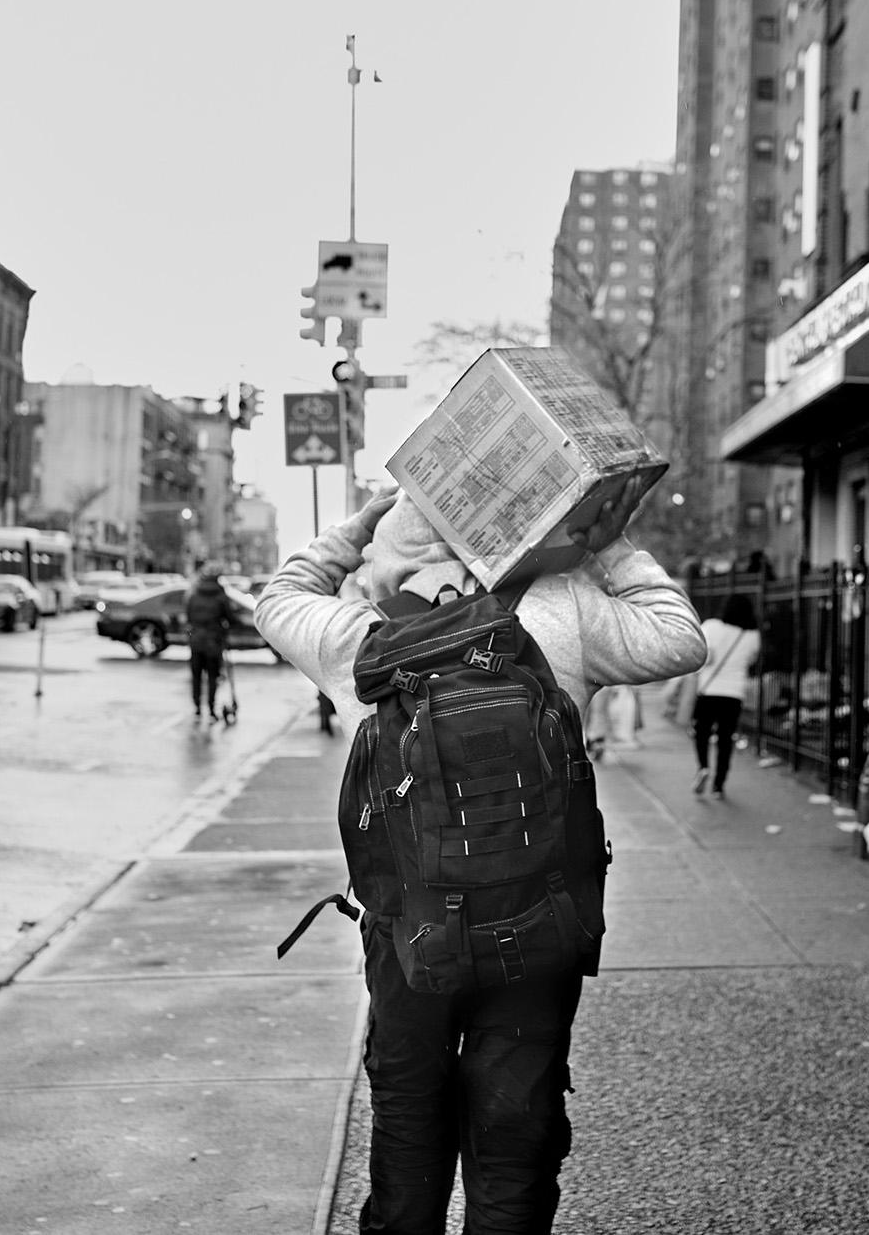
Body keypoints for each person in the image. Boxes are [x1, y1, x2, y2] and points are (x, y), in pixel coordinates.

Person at [256, 481, 704, 1235]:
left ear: (393, 551)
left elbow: (280, 595)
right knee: (513, 1142)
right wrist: (603, 542)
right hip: (539, 929)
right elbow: (680, 637)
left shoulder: (358, 637)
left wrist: (359, 523)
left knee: (408, 1129)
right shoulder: (560, 610)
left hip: (408, 938)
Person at [690, 594, 760, 799]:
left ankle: (703, 766)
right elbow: (751, 661)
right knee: (725, 738)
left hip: (709, 691)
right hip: (734, 693)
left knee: (701, 732)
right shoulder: (752, 635)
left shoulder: (711, 626)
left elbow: (703, 657)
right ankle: (719, 785)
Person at [185, 569, 238, 722]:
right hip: (213, 642)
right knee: (212, 676)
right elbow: (231, 618)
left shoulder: (194, 596)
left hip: (195, 641)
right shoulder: (221, 597)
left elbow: (188, 616)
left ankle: (197, 707)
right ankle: (211, 708)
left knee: (196, 676)